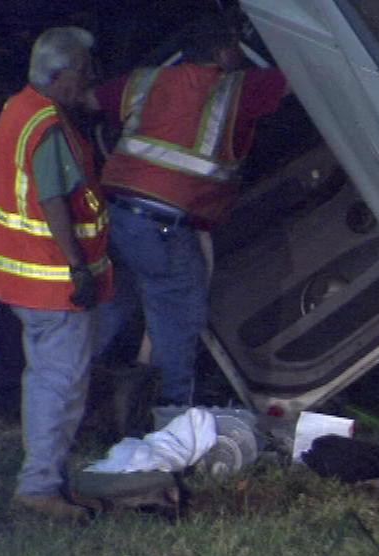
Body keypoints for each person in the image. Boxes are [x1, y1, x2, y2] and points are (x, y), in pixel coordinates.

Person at [91, 11, 288, 409]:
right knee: (176, 324)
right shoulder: (237, 90)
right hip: (164, 231)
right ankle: (167, 420)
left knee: (106, 313)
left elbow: (91, 99)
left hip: (115, 220)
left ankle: (71, 398)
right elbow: (301, 78)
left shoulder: (145, 81)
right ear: (225, 50)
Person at [0, 26, 112, 521]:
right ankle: (40, 488)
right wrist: (78, 266)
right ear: (59, 74)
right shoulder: (48, 126)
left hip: (24, 278)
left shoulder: (21, 108)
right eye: (83, 70)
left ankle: (44, 481)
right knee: (60, 384)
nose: (89, 79)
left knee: (46, 381)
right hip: (53, 282)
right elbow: (53, 199)